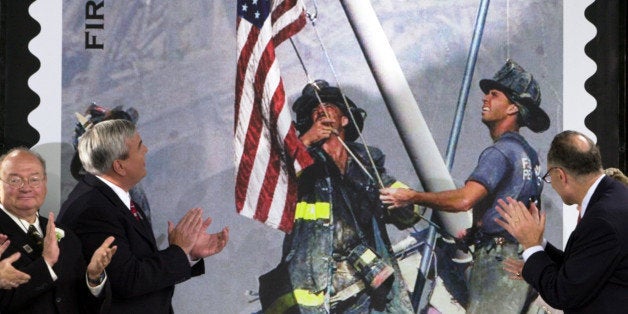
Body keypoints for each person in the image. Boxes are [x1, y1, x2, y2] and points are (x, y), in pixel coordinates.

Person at [380, 60, 550, 313]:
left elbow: (464, 200)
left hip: (498, 260)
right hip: (521, 257)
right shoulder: (529, 155)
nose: (485, 99)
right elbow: (509, 202)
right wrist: (474, 231)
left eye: (494, 94)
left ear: (513, 107)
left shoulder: (500, 152)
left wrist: (412, 196)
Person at [258, 80, 419, 313]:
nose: (320, 109)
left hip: (369, 286)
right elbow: (273, 187)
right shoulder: (305, 165)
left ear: (345, 119)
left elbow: (408, 215)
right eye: (313, 109)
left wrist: (409, 200)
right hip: (321, 291)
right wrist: (305, 142)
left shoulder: (366, 166)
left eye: (329, 105)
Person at [59, 119, 229, 313]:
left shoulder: (112, 196)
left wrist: (187, 253)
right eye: (139, 147)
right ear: (119, 167)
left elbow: (139, 265)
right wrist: (178, 251)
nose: (146, 150)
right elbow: (128, 281)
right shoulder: (92, 211)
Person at [495, 130, 628, 312]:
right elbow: (585, 266)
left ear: (560, 175)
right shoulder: (615, 196)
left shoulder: (602, 219)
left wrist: (531, 246)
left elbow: (563, 293)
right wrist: (539, 245)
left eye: (549, 177)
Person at [0, 148, 116, 313]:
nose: (26, 188)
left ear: (45, 182)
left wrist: (93, 278)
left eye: (34, 179)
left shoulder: (65, 234)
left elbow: (84, 305)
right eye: (14, 180)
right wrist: (46, 263)